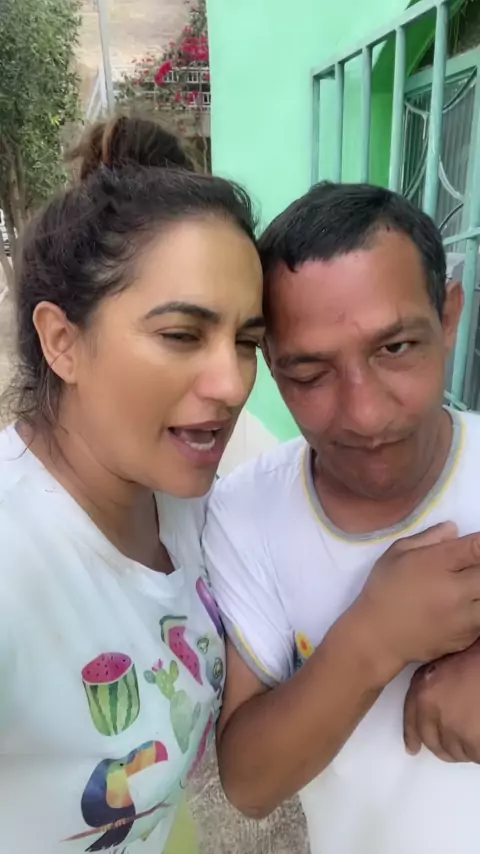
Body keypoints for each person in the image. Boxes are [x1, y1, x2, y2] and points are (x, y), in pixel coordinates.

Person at [0, 115, 265, 854]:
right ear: (62, 342)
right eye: (182, 334)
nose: (233, 383)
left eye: (247, 340)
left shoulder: (186, 493)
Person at [203, 182, 480, 854]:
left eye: (396, 348)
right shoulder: (247, 515)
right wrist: (374, 637)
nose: (364, 413)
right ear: (270, 368)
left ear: (448, 317)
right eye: (310, 374)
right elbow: (250, 784)